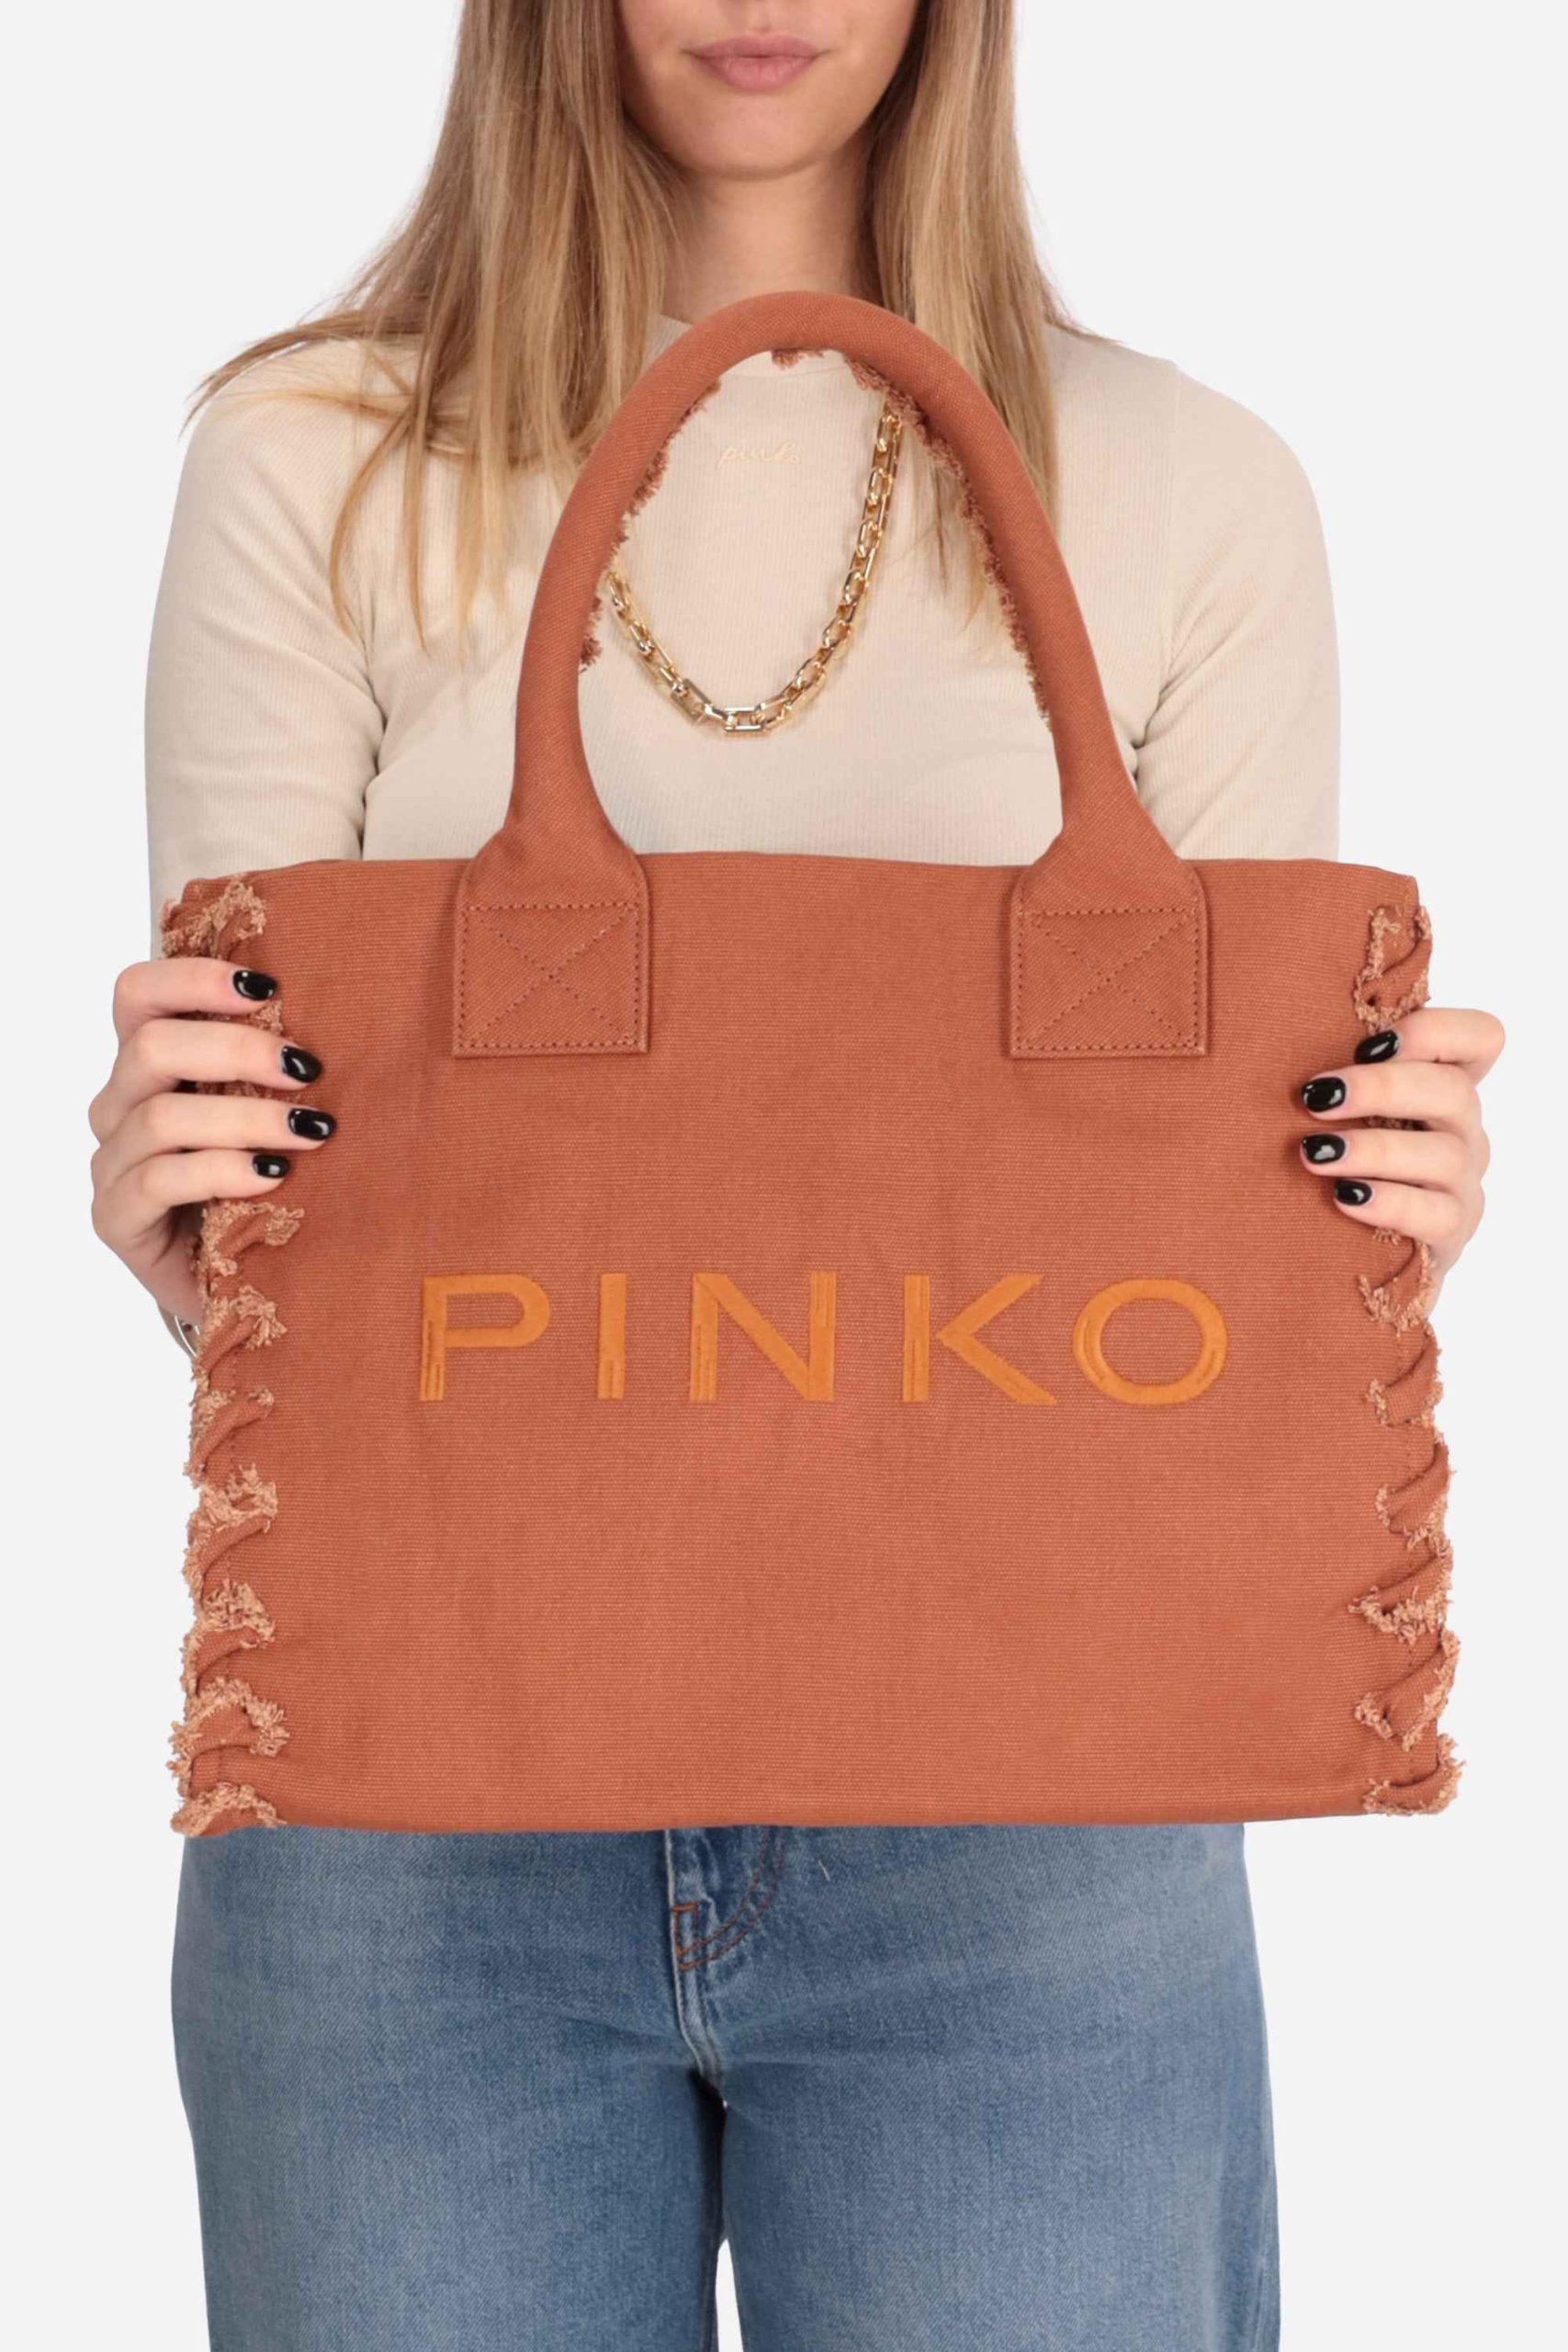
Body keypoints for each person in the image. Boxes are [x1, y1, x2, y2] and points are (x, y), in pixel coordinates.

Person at [88, 6, 1502, 2346]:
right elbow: (293, 1230)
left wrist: (1366, 1213)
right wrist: (189, 1231)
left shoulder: (1184, 482)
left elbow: (1207, 1220)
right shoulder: (313, 457)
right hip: (418, 1790)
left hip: (1034, 1799)